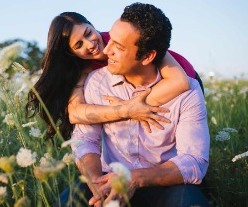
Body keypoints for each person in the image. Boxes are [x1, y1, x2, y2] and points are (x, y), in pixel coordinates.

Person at [59, 3, 210, 207]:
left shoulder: (187, 89)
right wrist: (97, 183)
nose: (107, 50)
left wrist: (134, 178)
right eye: (110, 38)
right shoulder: (96, 81)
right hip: (109, 179)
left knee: (188, 202)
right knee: (68, 200)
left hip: (164, 182)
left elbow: (194, 161)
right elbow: (85, 139)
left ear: (148, 56)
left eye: (119, 46)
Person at [26, 11, 202, 141]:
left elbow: (180, 82)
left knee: (188, 139)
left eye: (88, 33)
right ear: (71, 53)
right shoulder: (83, 69)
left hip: (184, 78)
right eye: (78, 44)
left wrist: (128, 108)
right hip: (146, 93)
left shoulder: (120, 37)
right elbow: (76, 113)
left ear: (92, 25)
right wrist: (127, 111)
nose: (90, 44)